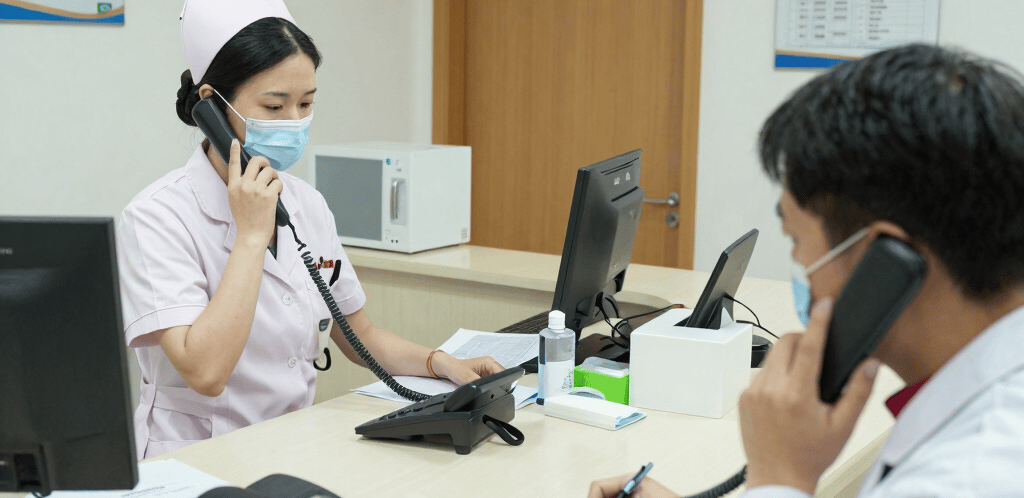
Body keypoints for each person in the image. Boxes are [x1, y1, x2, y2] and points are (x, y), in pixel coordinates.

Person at [589, 43, 1024, 497]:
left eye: (798, 245)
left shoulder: (970, 476)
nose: (800, 271)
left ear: (887, 262)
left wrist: (780, 476)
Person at [117, 0, 501, 460]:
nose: (293, 122)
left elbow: (359, 333)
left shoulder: (305, 203)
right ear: (211, 107)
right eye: (274, 105)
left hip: (294, 445)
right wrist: (252, 236)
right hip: (195, 458)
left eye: (306, 104)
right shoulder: (157, 216)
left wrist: (441, 364)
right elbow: (205, 371)